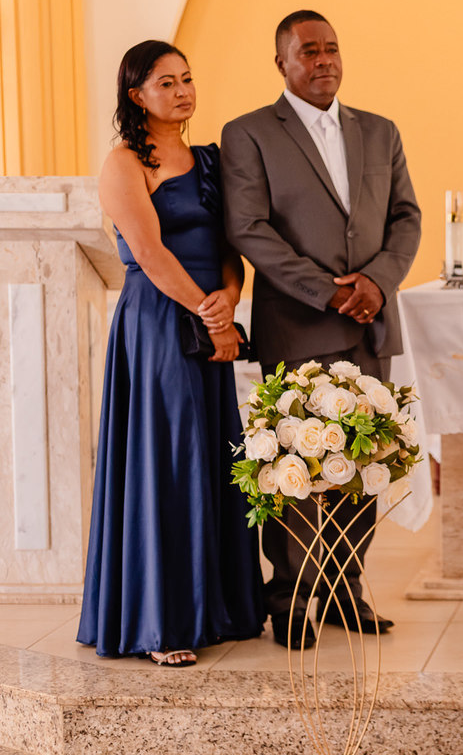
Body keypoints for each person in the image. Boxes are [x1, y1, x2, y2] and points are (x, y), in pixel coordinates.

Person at [221, 10, 422, 648]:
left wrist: (376, 284)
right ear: (281, 61)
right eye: (308, 50)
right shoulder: (248, 133)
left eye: (332, 48)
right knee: (295, 468)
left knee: (363, 464)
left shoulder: (380, 131)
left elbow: (407, 217)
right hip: (298, 323)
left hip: (369, 322)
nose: (324, 59)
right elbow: (248, 228)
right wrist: (328, 291)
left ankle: (344, 590)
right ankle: (289, 599)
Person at [77, 40, 265, 667]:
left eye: (187, 79)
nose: (183, 91)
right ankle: (163, 622)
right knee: (168, 458)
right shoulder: (124, 162)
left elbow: (230, 247)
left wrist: (229, 299)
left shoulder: (212, 160)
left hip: (213, 314)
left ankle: (224, 608)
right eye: (166, 83)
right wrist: (209, 311)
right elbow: (150, 254)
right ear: (137, 95)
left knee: (214, 452)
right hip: (158, 323)